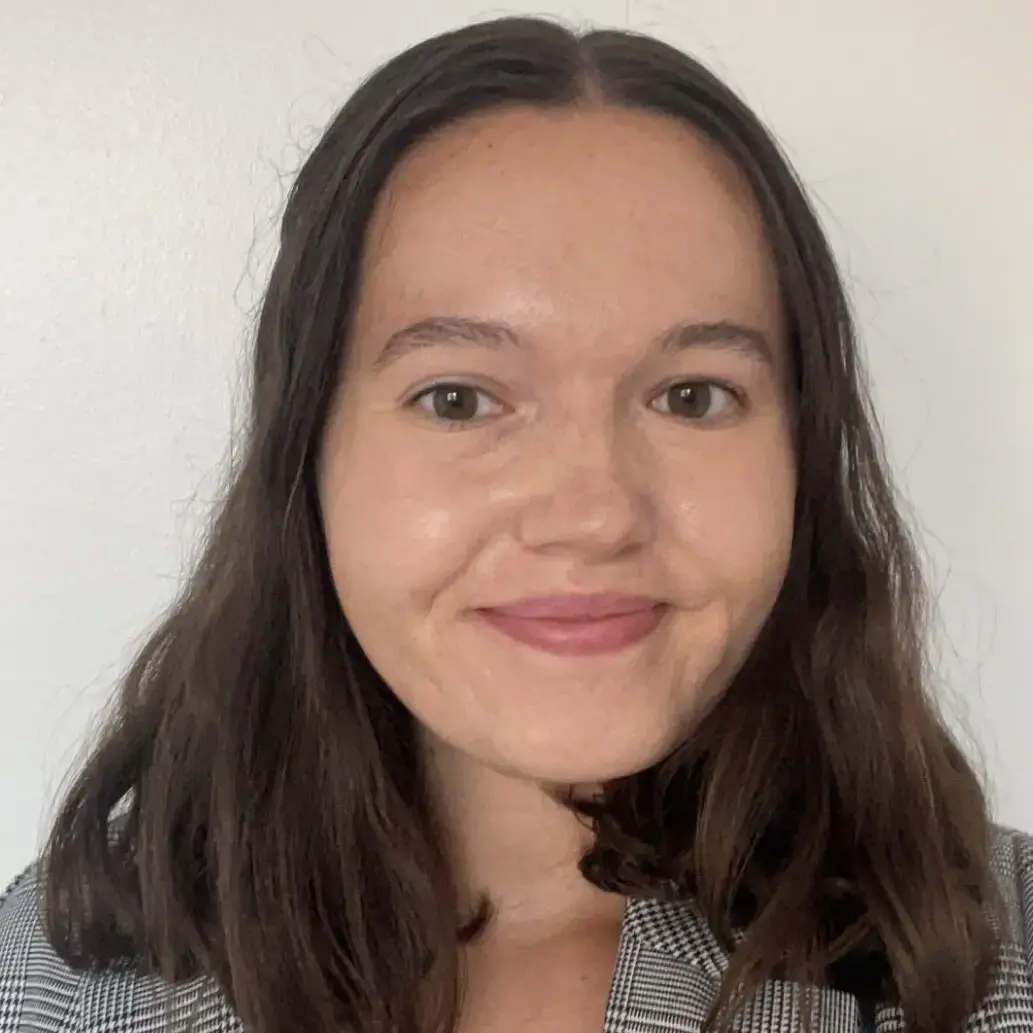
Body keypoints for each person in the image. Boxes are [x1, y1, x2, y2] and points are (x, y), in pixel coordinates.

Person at [1, 14, 1029, 1033]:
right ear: (308, 450)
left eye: (691, 396)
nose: (592, 515)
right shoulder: (50, 975)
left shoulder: (1004, 950)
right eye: (457, 398)